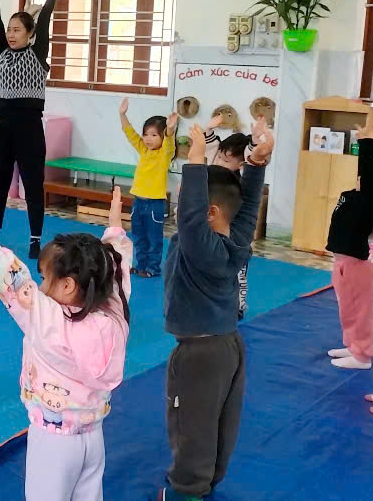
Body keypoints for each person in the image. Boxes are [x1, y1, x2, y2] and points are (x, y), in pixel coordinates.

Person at [0, 187, 132, 501]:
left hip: (53, 440)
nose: (40, 286)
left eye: (45, 278)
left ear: (67, 285)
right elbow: (116, 270)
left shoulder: (51, 323)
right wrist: (114, 231)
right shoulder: (113, 309)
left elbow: (16, 285)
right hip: (92, 437)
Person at [159, 123, 273, 501]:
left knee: (191, 425)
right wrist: (256, 164)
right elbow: (248, 207)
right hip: (227, 346)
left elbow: (191, 218)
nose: (181, 207)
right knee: (220, 421)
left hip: (199, 354)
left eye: (184, 200)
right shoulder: (235, 239)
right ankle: (207, 483)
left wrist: (194, 160)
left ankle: (186, 491)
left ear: (207, 212)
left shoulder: (201, 248)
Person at [0, 0, 71, 259]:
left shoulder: (38, 51)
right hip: (2, 126)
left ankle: (35, 240)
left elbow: (46, 17)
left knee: (33, 184)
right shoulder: (1, 51)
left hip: (29, 127)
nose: (10, 33)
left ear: (30, 34)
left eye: (17, 29)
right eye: (10, 29)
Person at [324, 114, 373, 370]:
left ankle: (363, 356)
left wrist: (367, 144)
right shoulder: (353, 195)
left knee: (359, 312)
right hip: (342, 263)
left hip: (356, 264)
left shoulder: (370, 200)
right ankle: (353, 346)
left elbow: (367, 173)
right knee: (347, 309)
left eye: (365, 178)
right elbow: (364, 174)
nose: (359, 177)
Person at [119, 99, 178, 277]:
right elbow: (130, 133)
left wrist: (170, 129)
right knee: (138, 236)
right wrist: (122, 115)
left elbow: (169, 142)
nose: (148, 138)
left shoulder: (164, 155)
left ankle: (153, 268)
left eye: (154, 135)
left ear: (162, 137)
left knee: (154, 238)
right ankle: (141, 265)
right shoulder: (143, 150)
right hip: (138, 202)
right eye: (146, 134)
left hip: (154, 204)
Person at [205, 126, 257, 319]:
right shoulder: (216, 175)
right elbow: (212, 148)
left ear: (241, 164)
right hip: (216, 238)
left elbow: (253, 167)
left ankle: (239, 306)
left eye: (226, 160)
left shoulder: (239, 183)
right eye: (220, 157)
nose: (220, 162)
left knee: (238, 275)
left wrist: (255, 144)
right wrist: (209, 128)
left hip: (237, 241)